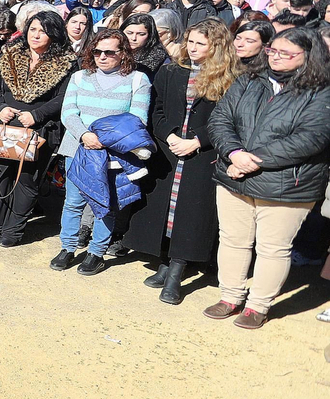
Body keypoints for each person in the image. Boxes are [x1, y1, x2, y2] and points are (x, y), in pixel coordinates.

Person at [204, 27, 330, 329]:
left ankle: (258, 304)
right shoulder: (249, 79)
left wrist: (251, 161)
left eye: (286, 53)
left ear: (309, 56)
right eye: (273, 50)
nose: (275, 57)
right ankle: (231, 296)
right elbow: (221, 118)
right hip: (234, 176)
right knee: (233, 240)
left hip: (288, 184)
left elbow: (311, 138)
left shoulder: (322, 90)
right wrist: (234, 153)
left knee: (273, 247)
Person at [123, 19, 241, 304]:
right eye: (190, 42)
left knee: (192, 213)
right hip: (170, 149)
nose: (193, 48)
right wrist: (169, 135)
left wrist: (197, 141)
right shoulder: (172, 71)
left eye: (201, 43)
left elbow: (231, 119)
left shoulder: (232, 77)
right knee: (167, 208)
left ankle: (177, 270)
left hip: (204, 154)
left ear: (217, 46)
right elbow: (157, 109)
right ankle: (164, 260)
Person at [51, 28, 152, 275]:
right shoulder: (79, 77)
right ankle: (68, 247)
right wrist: (85, 135)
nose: (102, 56)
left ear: (123, 53)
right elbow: (68, 112)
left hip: (113, 154)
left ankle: (96, 252)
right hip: (79, 148)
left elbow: (136, 120)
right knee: (73, 202)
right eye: (97, 51)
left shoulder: (139, 80)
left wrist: (103, 139)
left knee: (105, 205)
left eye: (109, 52)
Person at [0, 10, 75, 247]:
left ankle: (13, 230)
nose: (36, 35)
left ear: (54, 34)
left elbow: (64, 97)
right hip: (4, 124)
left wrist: (36, 115)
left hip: (39, 129)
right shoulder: (12, 53)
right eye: (32, 29)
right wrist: (0, 107)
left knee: (26, 181)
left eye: (42, 31)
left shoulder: (66, 62)